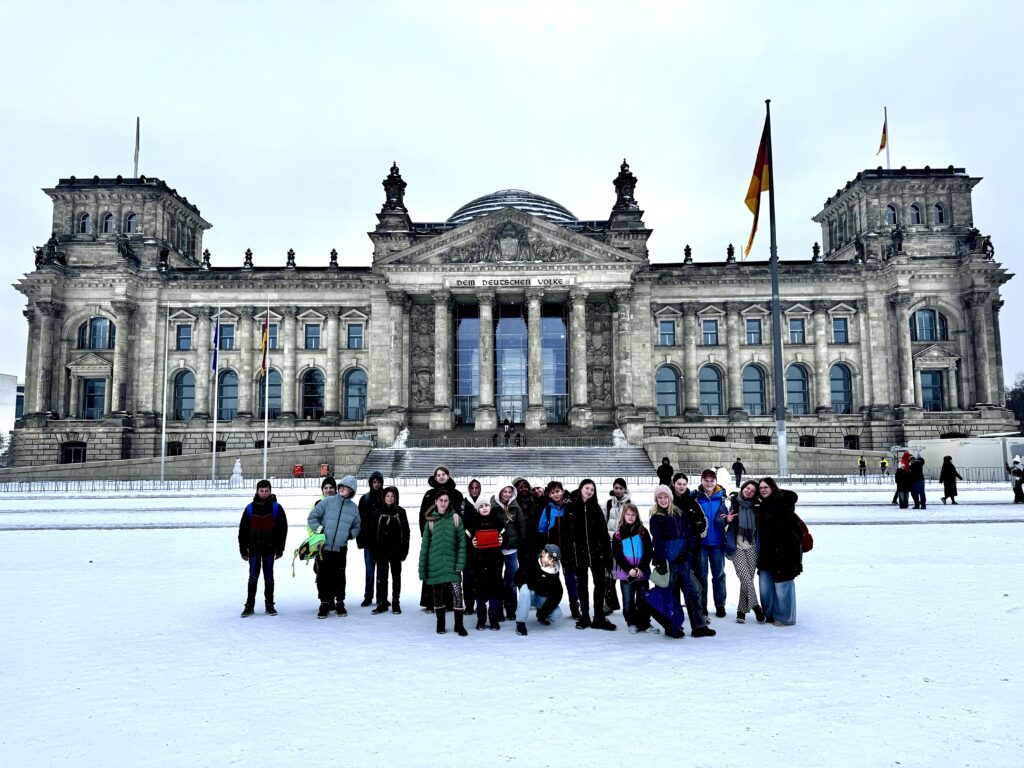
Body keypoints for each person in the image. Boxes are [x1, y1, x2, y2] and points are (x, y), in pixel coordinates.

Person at [648, 484, 715, 639]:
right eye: (660, 497)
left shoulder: (680, 514)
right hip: (668, 561)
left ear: (670, 498)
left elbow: (689, 533)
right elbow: (657, 540)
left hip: (683, 559)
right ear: (656, 499)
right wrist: (660, 561)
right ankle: (673, 626)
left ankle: (699, 626)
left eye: (665, 497)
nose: (663, 500)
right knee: (670, 596)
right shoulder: (656, 517)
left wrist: (688, 552)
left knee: (693, 591)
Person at [307, 475, 361, 618]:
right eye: (342, 487)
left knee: (339, 576)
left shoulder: (354, 508)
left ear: (352, 491)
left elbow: (357, 526)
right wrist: (320, 531)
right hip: (324, 547)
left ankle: (340, 602)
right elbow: (312, 517)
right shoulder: (327, 502)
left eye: (347, 488)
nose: (344, 490)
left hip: (340, 548)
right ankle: (324, 603)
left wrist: (349, 535)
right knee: (323, 575)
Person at [568, 479, 616, 630]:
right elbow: (568, 534)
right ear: (581, 488)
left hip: (597, 554)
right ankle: (585, 617)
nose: (589, 491)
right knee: (582, 586)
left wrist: (607, 553)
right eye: (587, 488)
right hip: (579, 554)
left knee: (600, 585)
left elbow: (603, 533)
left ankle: (598, 616)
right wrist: (570, 553)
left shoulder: (596, 508)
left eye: (592, 489)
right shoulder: (572, 508)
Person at [419, 489, 468, 636]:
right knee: (438, 595)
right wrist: (423, 569)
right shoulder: (431, 521)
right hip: (435, 564)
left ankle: (459, 625)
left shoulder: (456, 519)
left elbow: (461, 544)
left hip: (452, 564)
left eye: (446, 500)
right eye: (440, 500)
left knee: (458, 594)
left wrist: (460, 563)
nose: (443, 503)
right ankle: (440, 623)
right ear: (436, 502)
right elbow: (425, 547)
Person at [755, 477, 803, 626]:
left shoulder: (782, 504)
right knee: (765, 588)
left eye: (766, 487)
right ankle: (769, 614)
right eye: (761, 488)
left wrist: (790, 554)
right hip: (766, 553)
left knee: (783, 586)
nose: (763, 490)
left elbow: (792, 532)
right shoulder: (762, 506)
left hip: (784, 552)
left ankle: (785, 618)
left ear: (773, 488)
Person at [238, 479, 288, 617]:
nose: (264, 493)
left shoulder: (276, 508)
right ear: (257, 491)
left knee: (269, 578)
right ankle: (249, 605)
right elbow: (243, 530)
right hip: (254, 549)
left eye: (267, 491)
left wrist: (280, 549)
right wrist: (243, 549)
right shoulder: (249, 508)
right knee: (253, 577)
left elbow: (282, 530)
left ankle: (270, 605)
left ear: (270, 491)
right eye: (261, 491)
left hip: (269, 549)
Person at [532, 480, 580, 619]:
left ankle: (574, 606)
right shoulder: (547, 509)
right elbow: (541, 530)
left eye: (558, 491)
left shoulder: (570, 507)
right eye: (552, 492)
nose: (556, 494)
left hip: (568, 550)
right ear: (549, 494)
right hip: (552, 551)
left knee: (571, 580)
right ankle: (547, 608)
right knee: (552, 582)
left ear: (562, 491)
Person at [419, 466, 464, 612]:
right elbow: (423, 516)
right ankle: (432, 602)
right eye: (438, 475)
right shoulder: (429, 494)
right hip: (434, 537)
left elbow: (458, 515)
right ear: (434, 477)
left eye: (444, 474)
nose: (441, 477)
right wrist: (427, 534)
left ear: (449, 476)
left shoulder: (456, 494)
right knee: (433, 568)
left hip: (451, 537)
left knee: (451, 569)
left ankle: (450, 602)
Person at [722, 481, 765, 624]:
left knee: (748, 581)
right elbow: (723, 520)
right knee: (745, 578)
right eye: (747, 488)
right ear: (743, 488)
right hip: (736, 546)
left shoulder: (757, 506)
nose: (749, 492)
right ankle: (756, 606)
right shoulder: (732, 502)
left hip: (752, 547)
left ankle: (741, 611)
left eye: (753, 491)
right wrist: (727, 520)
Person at [613, 502, 659, 634]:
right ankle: (632, 622)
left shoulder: (642, 532)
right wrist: (629, 569)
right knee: (628, 601)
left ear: (637, 516)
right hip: (626, 574)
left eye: (633, 514)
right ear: (623, 516)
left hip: (641, 573)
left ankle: (645, 623)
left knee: (643, 600)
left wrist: (641, 568)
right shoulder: (618, 534)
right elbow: (618, 555)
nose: (630, 517)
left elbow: (648, 551)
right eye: (628, 514)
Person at [693, 468, 729, 619]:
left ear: (716, 481)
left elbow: (723, 518)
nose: (709, 483)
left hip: (717, 543)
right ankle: (702, 605)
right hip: (701, 543)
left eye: (711, 481)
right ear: (701, 481)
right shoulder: (695, 497)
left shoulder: (721, 497)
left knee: (719, 575)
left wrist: (726, 520)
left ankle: (720, 604)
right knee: (701, 575)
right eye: (706, 480)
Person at [466, 498, 505, 630]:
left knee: (495, 592)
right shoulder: (473, 522)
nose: (484, 508)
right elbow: (466, 539)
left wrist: (501, 540)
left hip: (495, 563)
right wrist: (472, 543)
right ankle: (481, 620)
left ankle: (494, 619)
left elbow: (506, 537)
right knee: (479, 593)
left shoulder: (496, 520)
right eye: (481, 506)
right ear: (477, 509)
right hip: (478, 564)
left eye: (486, 505)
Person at [372, 485, 409, 614]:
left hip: (396, 551)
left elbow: (406, 533)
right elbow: (373, 533)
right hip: (381, 551)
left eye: (392, 496)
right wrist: (375, 551)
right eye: (387, 496)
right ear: (384, 497)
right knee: (382, 577)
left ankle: (395, 602)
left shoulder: (401, 512)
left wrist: (404, 550)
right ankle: (382, 602)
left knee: (396, 577)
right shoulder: (378, 512)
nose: (390, 498)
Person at [491, 483, 525, 620]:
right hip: (497, 549)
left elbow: (521, 526)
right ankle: (498, 609)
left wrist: (521, 543)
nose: (507, 494)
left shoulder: (516, 507)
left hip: (512, 548)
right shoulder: (493, 507)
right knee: (497, 580)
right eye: (504, 491)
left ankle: (511, 608)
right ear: (499, 492)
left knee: (511, 581)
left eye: (510, 492)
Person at [513, 544, 564, 636]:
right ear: (543, 553)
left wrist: (544, 612)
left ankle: (541, 615)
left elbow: (558, 593)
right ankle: (520, 623)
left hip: (540, 596)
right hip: (529, 595)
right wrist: (527, 580)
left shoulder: (554, 570)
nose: (550, 562)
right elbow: (517, 578)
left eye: (553, 560)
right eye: (549, 557)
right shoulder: (530, 559)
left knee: (556, 614)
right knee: (525, 588)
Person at [357, 471, 385, 608]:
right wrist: (360, 539)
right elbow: (360, 521)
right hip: (369, 540)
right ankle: (368, 596)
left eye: (379, 482)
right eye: (374, 482)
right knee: (369, 570)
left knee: (382, 570)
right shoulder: (365, 499)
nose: (377, 484)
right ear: (370, 483)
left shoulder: (386, 496)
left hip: (382, 540)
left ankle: (381, 597)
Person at [460, 479, 483, 616]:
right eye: (472, 488)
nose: (475, 490)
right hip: (467, 546)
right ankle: (469, 605)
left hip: (482, 547)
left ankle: (480, 603)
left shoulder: (484, 502)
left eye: (477, 488)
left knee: (480, 577)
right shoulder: (463, 504)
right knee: (467, 577)